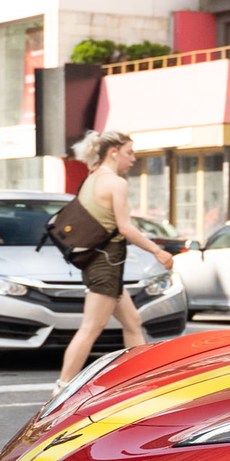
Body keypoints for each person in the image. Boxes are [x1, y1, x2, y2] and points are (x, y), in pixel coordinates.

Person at [58, 130, 175, 384]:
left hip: (97, 261)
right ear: (114, 152)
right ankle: (62, 386)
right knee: (92, 327)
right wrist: (157, 250)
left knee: (133, 321)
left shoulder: (92, 178)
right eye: (129, 153)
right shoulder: (116, 183)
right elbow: (125, 228)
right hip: (105, 263)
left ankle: (140, 381)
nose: (133, 159)